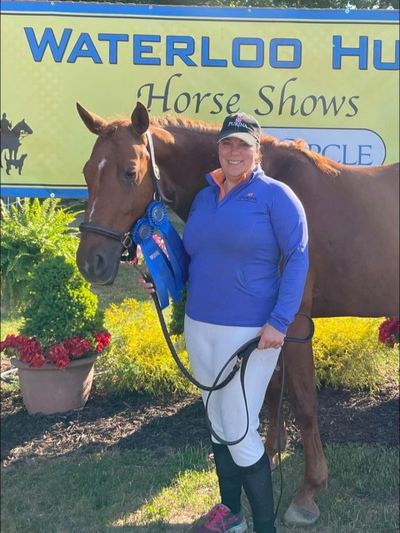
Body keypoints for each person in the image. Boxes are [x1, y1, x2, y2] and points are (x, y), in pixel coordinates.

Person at [140, 112, 309, 533]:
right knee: (218, 423)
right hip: (201, 326)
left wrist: (279, 322)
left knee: (239, 429)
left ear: (257, 151)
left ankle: (264, 527)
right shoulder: (203, 198)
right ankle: (230, 515)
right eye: (227, 144)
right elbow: (191, 256)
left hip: (251, 333)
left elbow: (299, 258)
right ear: (218, 149)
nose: (234, 152)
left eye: (243, 145)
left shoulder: (277, 197)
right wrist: (159, 276)